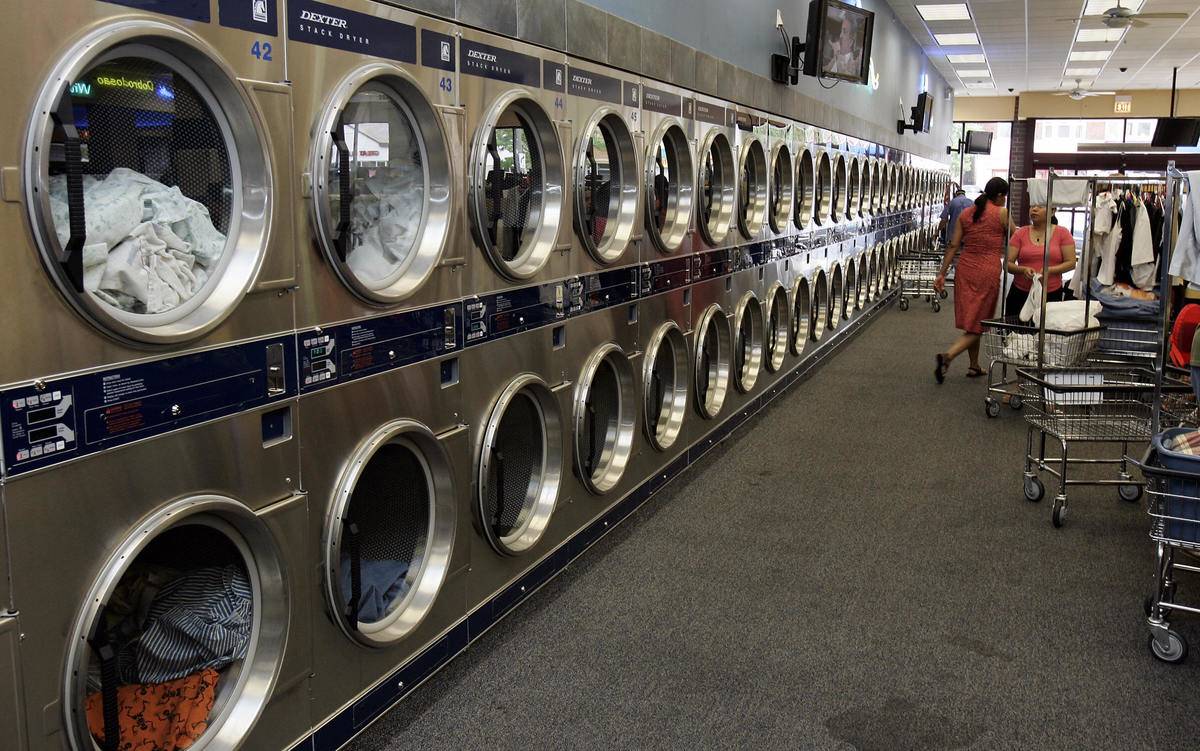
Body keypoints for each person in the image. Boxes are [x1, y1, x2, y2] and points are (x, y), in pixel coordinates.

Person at [932, 177, 1013, 382]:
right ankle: (948, 356)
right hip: (987, 271)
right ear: (1000, 195)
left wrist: (942, 273)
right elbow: (1017, 236)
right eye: (1005, 196)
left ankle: (974, 365)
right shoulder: (1001, 213)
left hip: (965, 269)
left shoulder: (966, 214)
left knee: (973, 321)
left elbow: (953, 246)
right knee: (979, 322)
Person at [1004, 206, 1076, 318]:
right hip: (1020, 293)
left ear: (1052, 211)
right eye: (1032, 206)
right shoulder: (1020, 233)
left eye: (1040, 206)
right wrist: (1023, 270)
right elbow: (1007, 264)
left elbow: (1071, 262)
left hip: (1051, 294)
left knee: (1048, 333)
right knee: (1015, 333)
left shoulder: (1063, 233)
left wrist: (1050, 270)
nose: (1034, 209)